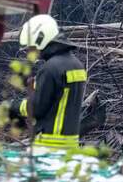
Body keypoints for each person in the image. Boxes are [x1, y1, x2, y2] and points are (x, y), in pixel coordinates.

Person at [8, 14, 87, 151]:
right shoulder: (76, 64)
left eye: (32, 46)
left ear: (42, 40)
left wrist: (14, 105)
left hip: (50, 144)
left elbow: (37, 108)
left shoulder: (50, 68)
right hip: (70, 143)